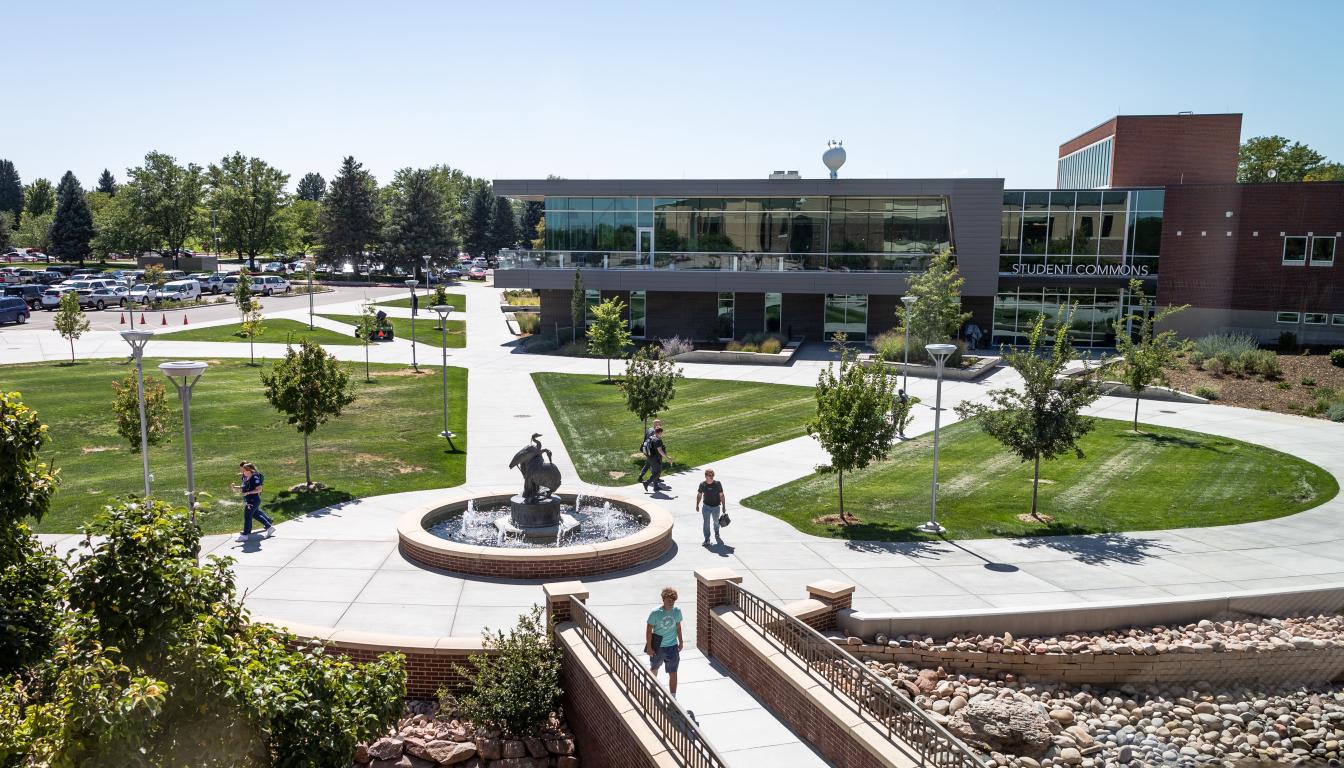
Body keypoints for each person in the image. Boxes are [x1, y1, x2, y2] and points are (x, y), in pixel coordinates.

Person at [645, 587, 684, 695]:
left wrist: (681, 641)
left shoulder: (677, 611)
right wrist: (649, 647)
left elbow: (678, 627)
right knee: (654, 668)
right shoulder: (655, 613)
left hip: (672, 646)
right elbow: (649, 630)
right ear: (663, 599)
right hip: (658, 647)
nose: (671, 602)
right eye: (669, 600)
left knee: (673, 671)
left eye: (673, 600)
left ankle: (673, 697)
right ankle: (652, 687)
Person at [231, 461, 275, 542]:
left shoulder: (254, 478)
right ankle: (269, 527)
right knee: (255, 515)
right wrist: (235, 487)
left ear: (249, 470)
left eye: (244, 471)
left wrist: (249, 492)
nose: (242, 472)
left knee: (247, 516)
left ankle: (245, 535)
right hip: (249, 500)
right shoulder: (246, 478)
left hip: (253, 500)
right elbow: (243, 488)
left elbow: (259, 489)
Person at [695, 469, 727, 546]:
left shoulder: (717, 484)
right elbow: (699, 494)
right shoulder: (702, 484)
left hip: (716, 507)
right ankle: (707, 539)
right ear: (706, 476)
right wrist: (697, 505)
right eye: (710, 475)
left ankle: (716, 531)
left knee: (716, 522)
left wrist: (723, 506)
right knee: (706, 523)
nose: (711, 476)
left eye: (712, 475)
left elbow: (721, 495)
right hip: (706, 507)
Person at [642, 426, 671, 492]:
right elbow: (660, 451)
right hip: (655, 459)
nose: (662, 434)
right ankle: (646, 482)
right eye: (662, 432)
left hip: (649, 457)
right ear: (660, 432)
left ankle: (656, 487)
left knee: (655, 472)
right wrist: (667, 458)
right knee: (657, 473)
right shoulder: (658, 440)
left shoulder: (651, 437)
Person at [636, 418, 664, 485]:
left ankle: (640, 477)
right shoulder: (654, 431)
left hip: (646, 449)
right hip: (651, 451)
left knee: (648, 464)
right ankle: (655, 480)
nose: (660, 425)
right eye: (659, 423)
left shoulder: (649, 429)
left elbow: (645, 438)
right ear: (656, 424)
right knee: (653, 466)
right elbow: (654, 442)